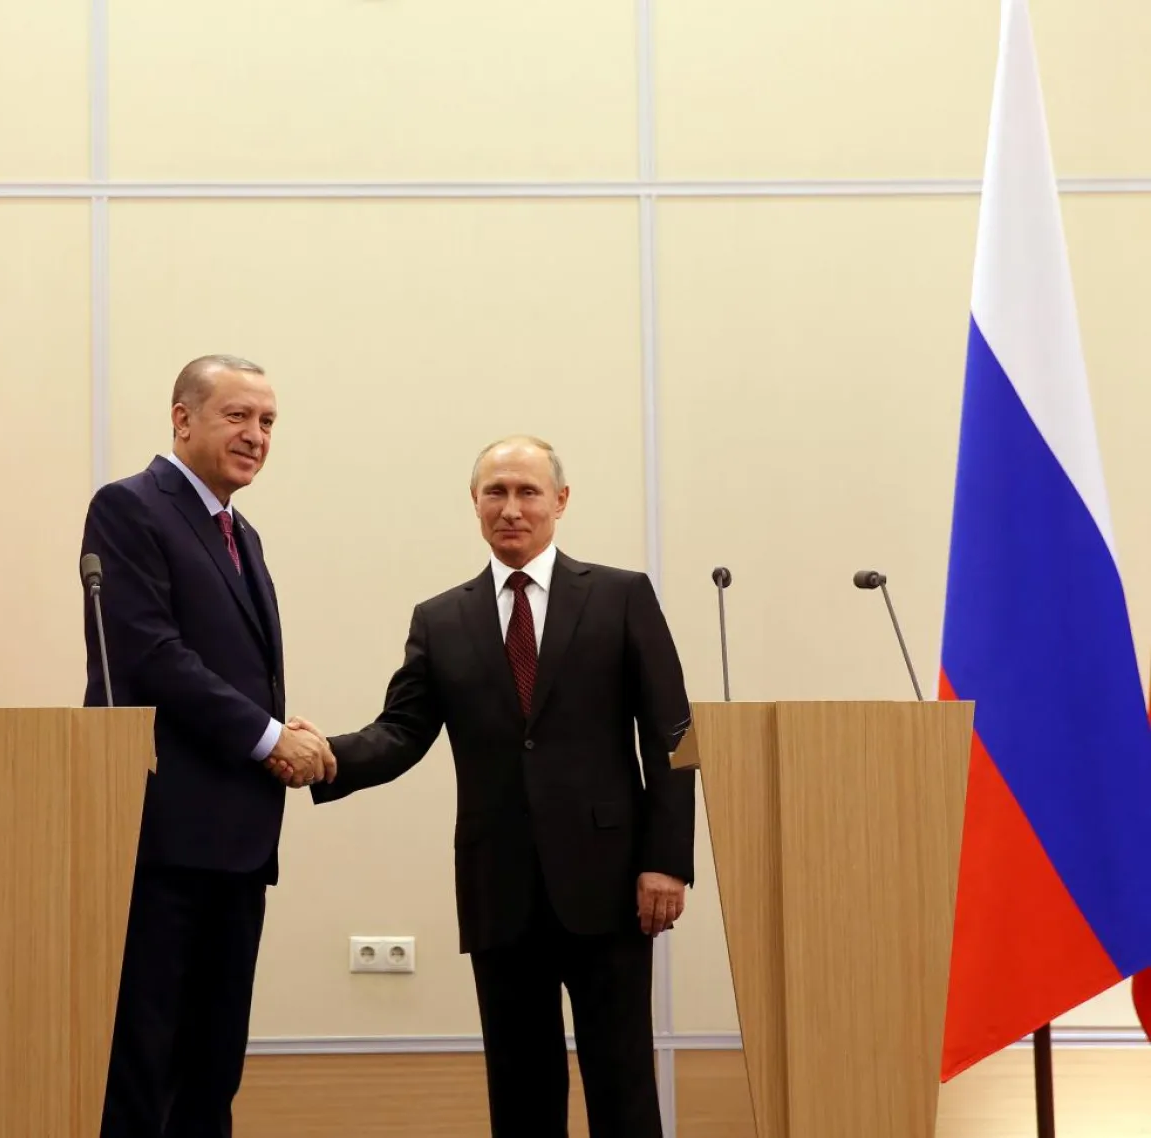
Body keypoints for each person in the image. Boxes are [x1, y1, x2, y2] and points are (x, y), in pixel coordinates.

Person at [281, 435, 695, 1138]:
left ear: (560, 501)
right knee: (520, 1089)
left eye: (528, 492)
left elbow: (671, 740)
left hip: (611, 884)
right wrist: (325, 758)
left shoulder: (621, 596)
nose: (511, 508)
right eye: (495, 492)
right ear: (473, 503)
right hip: (499, 885)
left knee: (622, 1084)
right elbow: (401, 732)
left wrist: (667, 862)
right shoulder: (441, 619)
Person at [80, 354, 334, 1138]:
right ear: (182, 419)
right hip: (160, 838)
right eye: (238, 415)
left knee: (213, 1068)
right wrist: (270, 739)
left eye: (268, 421)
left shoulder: (240, 533)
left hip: (237, 843)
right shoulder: (130, 508)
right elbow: (151, 655)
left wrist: (281, 739)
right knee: (145, 1069)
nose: (256, 435)